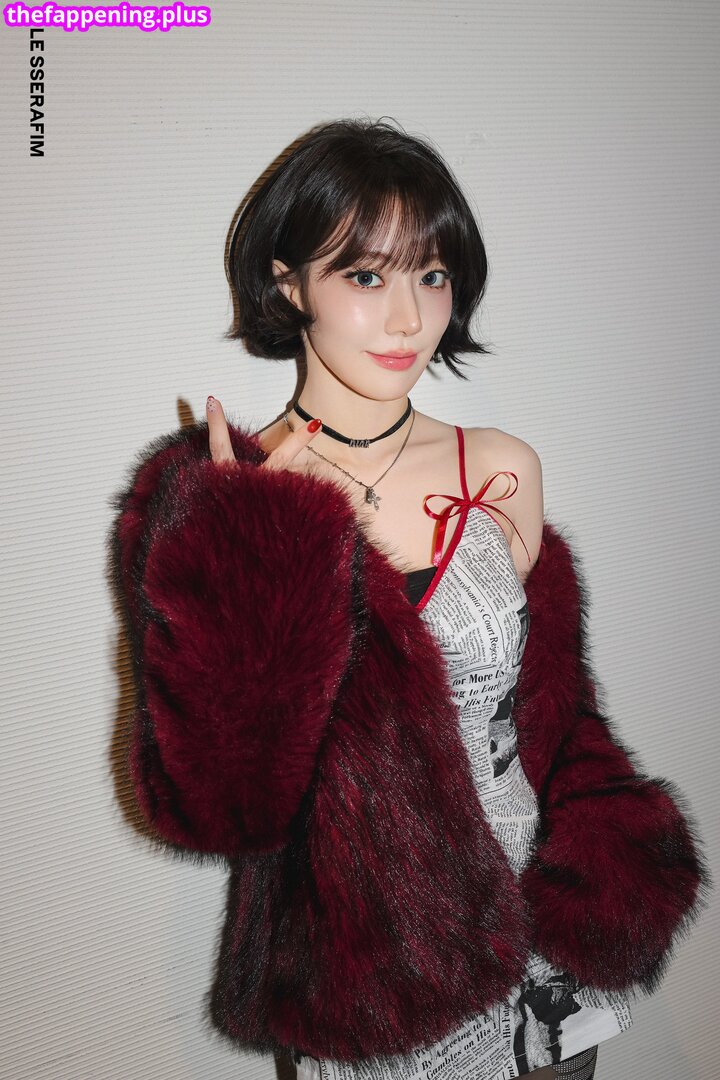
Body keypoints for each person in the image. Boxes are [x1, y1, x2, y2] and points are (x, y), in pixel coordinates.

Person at [109, 118, 708, 1080]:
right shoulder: (213, 500)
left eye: (431, 275)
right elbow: (222, 810)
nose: (408, 320)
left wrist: (616, 863)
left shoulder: (500, 469)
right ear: (288, 283)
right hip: (369, 985)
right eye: (364, 275)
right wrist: (251, 548)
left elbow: (555, 714)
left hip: (540, 955)